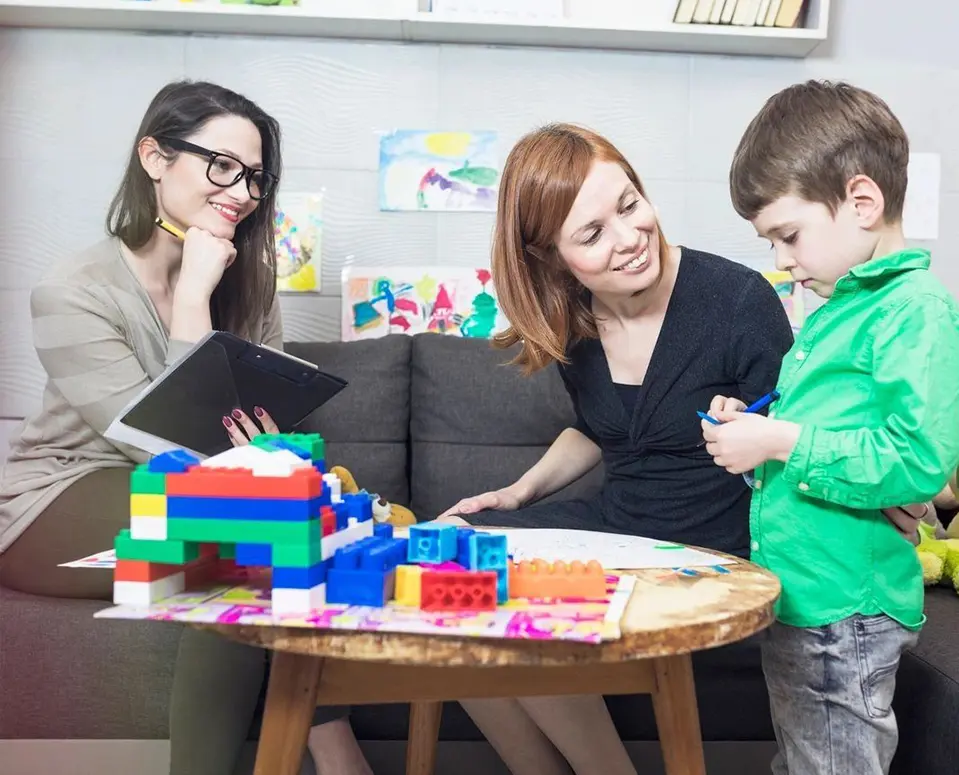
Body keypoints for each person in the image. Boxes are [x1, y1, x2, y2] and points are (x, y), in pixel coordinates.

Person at [0, 80, 371, 775]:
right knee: (236, 535)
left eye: (255, 177)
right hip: (58, 497)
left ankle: (327, 741)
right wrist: (194, 296)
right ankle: (333, 748)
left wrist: (266, 448)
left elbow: (242, 444)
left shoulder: (250, 275)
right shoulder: (71, 290)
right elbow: (167, 444)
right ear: (154, 157)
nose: (241, 191)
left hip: (191, 490)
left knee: (301, 523)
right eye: (221, 165)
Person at [433, 122, 796, 775]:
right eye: (592, 233)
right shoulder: (574, 317)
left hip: (712, 543)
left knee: (519, 604)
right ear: (548, 257)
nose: (629, 239)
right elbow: (602, 428)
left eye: (629, 205)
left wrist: (748, 430)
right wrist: (519, 491)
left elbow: (792, 436)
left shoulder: (739, 300)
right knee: (444, 562)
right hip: (619, 526)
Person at [702, 79, 959, 775]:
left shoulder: (915, 310)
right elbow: (837, 433)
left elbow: (917, 461)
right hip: (807, 591)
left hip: (845, 606)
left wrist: (781, 440)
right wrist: (758, 426)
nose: (782, 258)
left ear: (861, 202)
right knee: (804, 758)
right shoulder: (838, 306)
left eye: (788, 235)